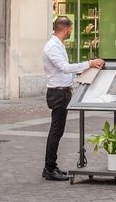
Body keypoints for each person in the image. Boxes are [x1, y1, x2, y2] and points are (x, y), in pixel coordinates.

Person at [41, 17, 105, 181]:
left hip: (63, 91)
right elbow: (64, 67)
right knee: (56, 132)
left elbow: (65, 70)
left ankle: (52, 166)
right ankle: (49, 168)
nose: (71, 32)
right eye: (70, 29)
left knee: (58, 131)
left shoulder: (58, 45)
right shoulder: (52, 46)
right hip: (57, 93)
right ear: (65, 28)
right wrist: (89, 63)